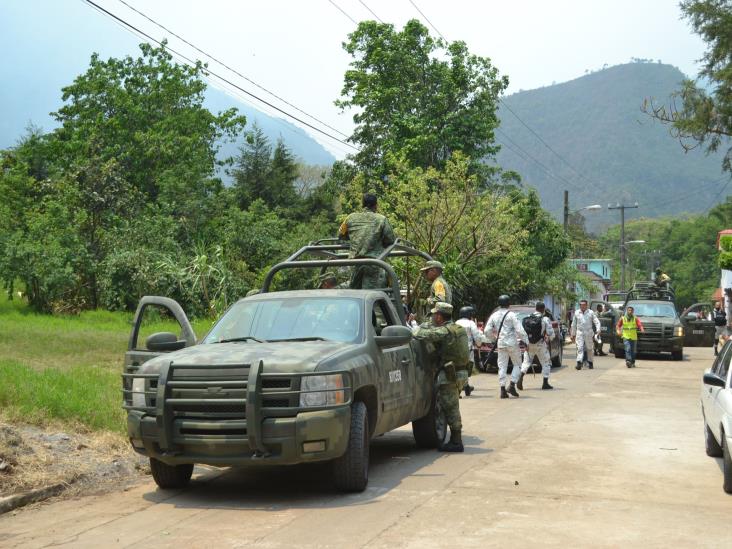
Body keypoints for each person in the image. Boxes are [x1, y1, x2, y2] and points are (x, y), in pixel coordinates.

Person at [412, 302, 470, 452]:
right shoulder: (458, 328)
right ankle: (455, 440)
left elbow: (422, 335)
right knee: (452, 405)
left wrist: (415, 329)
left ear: (439, 316)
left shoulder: (445, 331)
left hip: (451, 374)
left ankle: (456, 442)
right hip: (461, 372)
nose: (432, 318)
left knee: (451, 407)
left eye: (433, 315)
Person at [338, 193, 396, 289]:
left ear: (362, 205)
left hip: (355, 263)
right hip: (374, 263)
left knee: (355, 295)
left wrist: (354, 237)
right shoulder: (381, 219)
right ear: (376, 205)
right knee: (372, 294)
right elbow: (390, 240)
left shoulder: (350, 218)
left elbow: (340, 235)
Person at [484, 294, 528, 399]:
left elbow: (486, 331)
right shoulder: (512, 315)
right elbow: (519, 330)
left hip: (501, 343)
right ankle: (512, 385)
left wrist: (494, 339)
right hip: (512, 343)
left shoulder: (494, 315)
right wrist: (526, 341)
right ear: (509, 304)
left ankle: (502, 389)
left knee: (502, 366)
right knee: (517, 364)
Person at [518, 302, 556, 390]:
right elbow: (551, 334)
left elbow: (522, 332)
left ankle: (521, 376)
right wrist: (549, 338)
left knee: (526, 362)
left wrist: (525, 343)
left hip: (529, 344)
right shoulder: (545, 319)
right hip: (540, 344)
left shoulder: (527, 318)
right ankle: (545, 383)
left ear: (536, 308)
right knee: (546, 362)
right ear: (543, 309)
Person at [456, 305, 483, 397]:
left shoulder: (456, 322)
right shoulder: (471, 323)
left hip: (457, 349)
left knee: (459, 368)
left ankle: (466, 386)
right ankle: (460, 389)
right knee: (466, 369)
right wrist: (479, 344)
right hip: (468, 349)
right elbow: (476, 336)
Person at [571, 299, 600, 370]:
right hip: (580, 333)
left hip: (589, 333)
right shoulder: (577, 313)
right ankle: (579, 363)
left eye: (584, 305)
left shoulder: (591, 312)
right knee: (579, 348)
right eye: (581, 305)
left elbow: (597, 322)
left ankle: (590, 362)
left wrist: (598, 330)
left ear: (586, 305)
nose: (582, 306)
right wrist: (573, 334)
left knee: (589, 348)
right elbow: (573, 325)